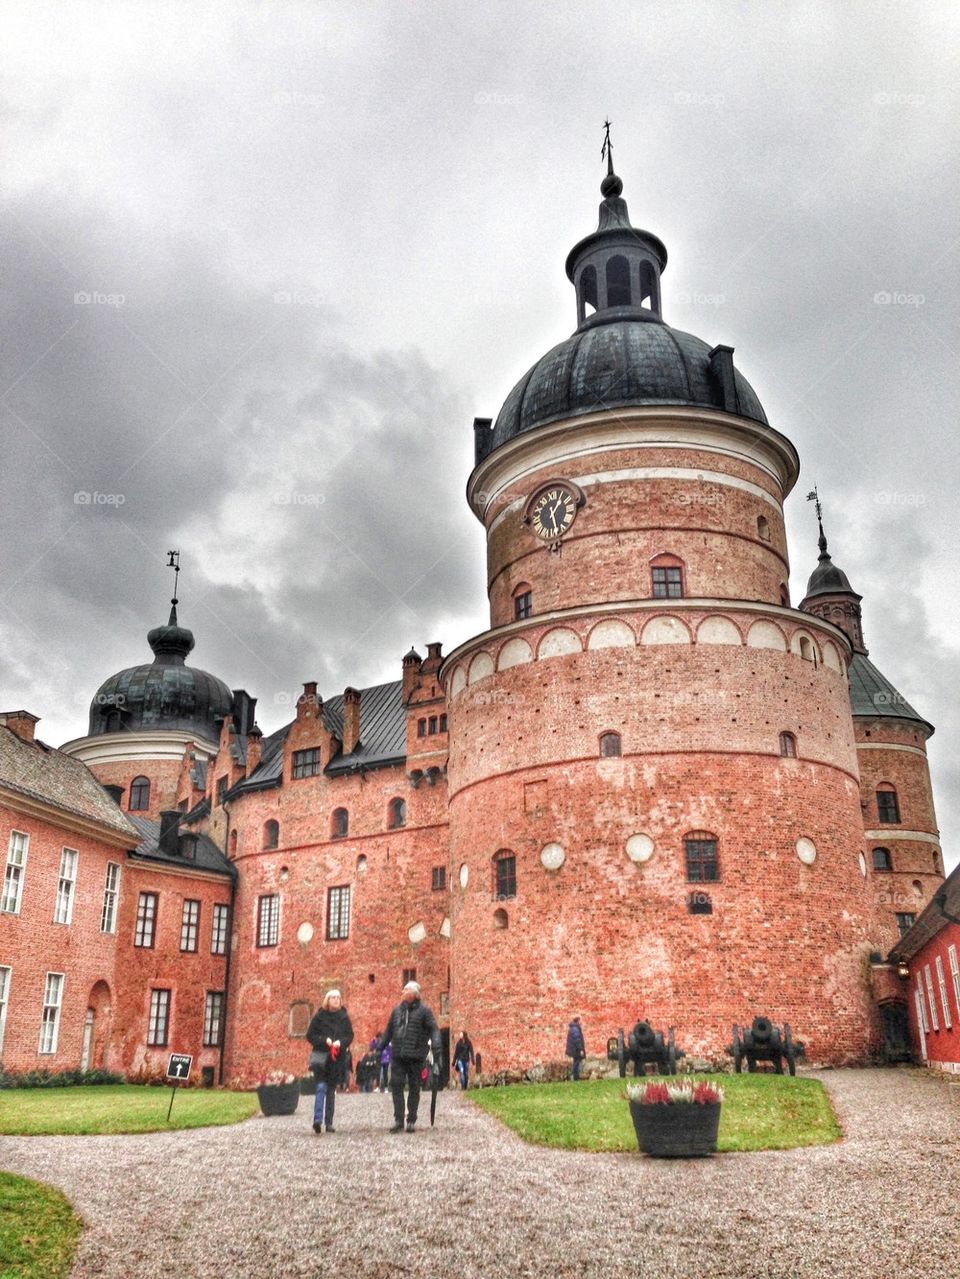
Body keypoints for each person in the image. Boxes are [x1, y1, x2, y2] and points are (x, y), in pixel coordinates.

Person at [379, 980, 441, 1132]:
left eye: (406, 990)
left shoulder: (424, 1011)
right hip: (398, 1055)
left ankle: (411, 1119)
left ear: (414, 994)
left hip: (416, 1056)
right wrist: (379, 1048)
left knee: (414, 1087)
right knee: (396, 1086)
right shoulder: (396, 1011)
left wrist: (436, 1046)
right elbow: (389, 1031)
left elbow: (434, 1029)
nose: (403, 992)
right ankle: (399, 1119)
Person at [305, 989, 354, 1133]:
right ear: (327, 1000)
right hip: (321, 1056)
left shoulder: (344, 1017)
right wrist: (323, 1040)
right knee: (321, 1087)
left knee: (331, 1090)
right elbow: (310, 1035)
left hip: (336, 1058)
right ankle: (317, 1119)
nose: (336, 1000)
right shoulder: (319, 1017)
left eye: (338, 997)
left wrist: (340, 1042)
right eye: (333, 997)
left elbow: (349, 1036)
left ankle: (329, 1122)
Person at [565, 1015, 586, 1081]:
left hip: (574, 1049)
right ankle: (576, 1078)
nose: (581, 1022)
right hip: (576, 1050)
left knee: (576, 1062)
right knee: (576, 1063)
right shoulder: (575, 1029)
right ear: (578, 1021)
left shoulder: (574, 1028)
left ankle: (575, 1077)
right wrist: (581, 1049)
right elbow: (577, 1040)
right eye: (580, 1021)